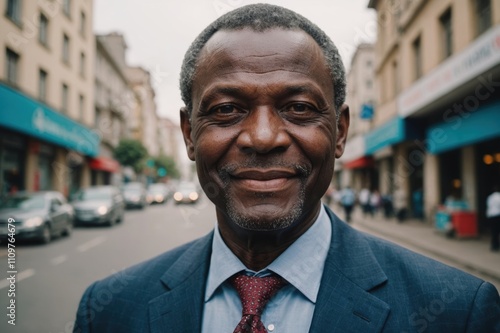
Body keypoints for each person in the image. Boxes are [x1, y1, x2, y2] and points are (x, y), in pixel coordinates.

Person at [73, 4, 500, 332]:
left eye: (298, 108)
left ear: (339, 132)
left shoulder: (459, 312)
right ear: (189, 133)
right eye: (226, 109)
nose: (263, 137)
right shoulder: (110, 310)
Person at [487, 185, 500, 252]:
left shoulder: (490, 197)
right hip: (497, 215)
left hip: (491, 215)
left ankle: (494, 245)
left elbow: (489, 206)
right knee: (497, 232)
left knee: (493, 231)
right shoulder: (499, 197)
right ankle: (496, 245)